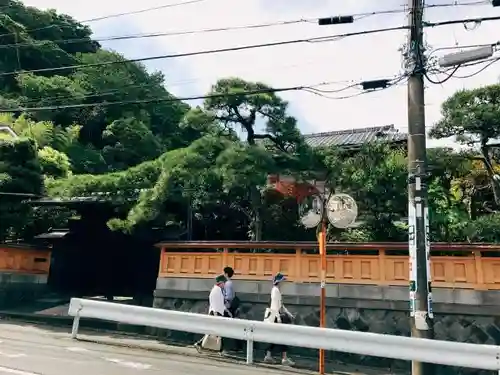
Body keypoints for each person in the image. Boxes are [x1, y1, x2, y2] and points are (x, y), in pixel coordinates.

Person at [263, 272, 295, 366]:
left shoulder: (276, 290)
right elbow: (275, 306)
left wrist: (289, 314)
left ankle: (269, 356)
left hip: (276, 317)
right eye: (282, 281)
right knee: (282, 337)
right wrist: (279, 318)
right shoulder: (275, 291)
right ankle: (284, 358)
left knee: (275, 337)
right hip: (277, 317)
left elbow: (281, 305)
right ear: (279, 282)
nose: (284, 283)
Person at [194, 274, 231, 354]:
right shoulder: (217, 291)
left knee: (215, 332)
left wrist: (227, 311)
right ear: (221, 283)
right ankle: (219, 349)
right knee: (216, 332)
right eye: (224, 283)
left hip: (217, 313)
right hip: (216, 313)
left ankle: (202, 345)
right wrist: (216, 315)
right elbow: (215, 304)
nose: (224, 285)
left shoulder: (217, 290)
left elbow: (220, 304)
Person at [223, 266, 242, 352]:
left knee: (228, 326)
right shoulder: (230, 283)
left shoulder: (227, 283)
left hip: (228, 308)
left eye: (224, 272)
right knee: (232, 326)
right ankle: (236, 345)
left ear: (226, 274)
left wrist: (223, 298)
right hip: (231, 307)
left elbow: (229, 296)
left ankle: (235, 346)